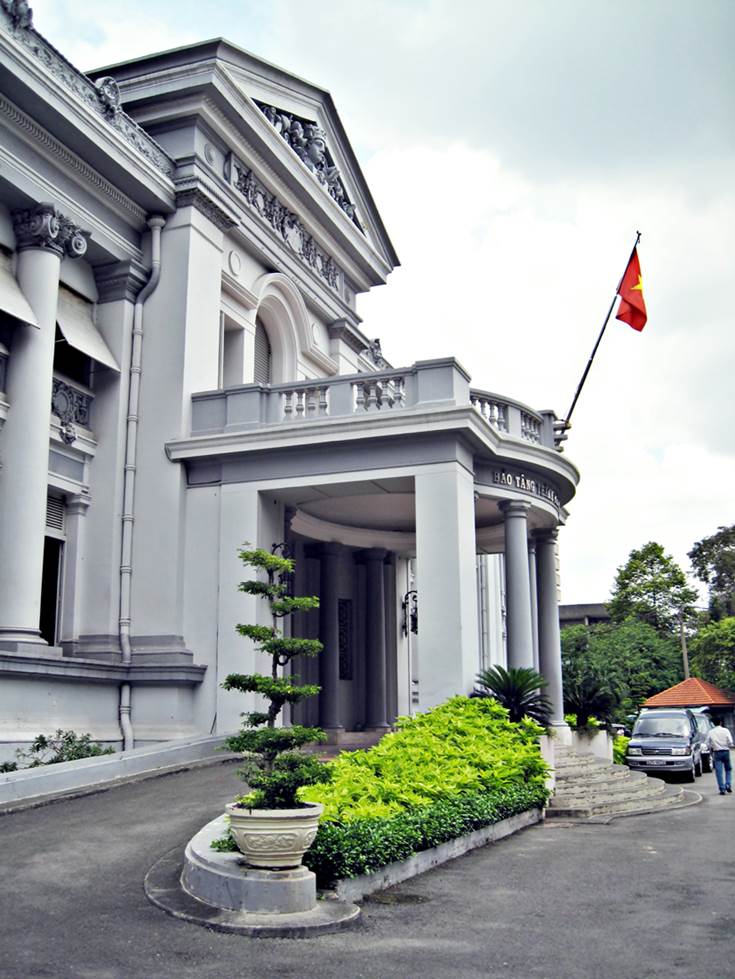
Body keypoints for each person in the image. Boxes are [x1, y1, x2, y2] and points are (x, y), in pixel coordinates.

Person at [707, 718, 734, 795]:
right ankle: (728, 784)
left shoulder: (711, 732)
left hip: (717, 752)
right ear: (721, 722)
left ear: (713, 724)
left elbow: (708, 743)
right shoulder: (726, 730)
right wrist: (729, 745)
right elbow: (730, 742)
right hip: (726, 752)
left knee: (719, 772)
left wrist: (712, 746)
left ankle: (722, 789)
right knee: (728, 769)